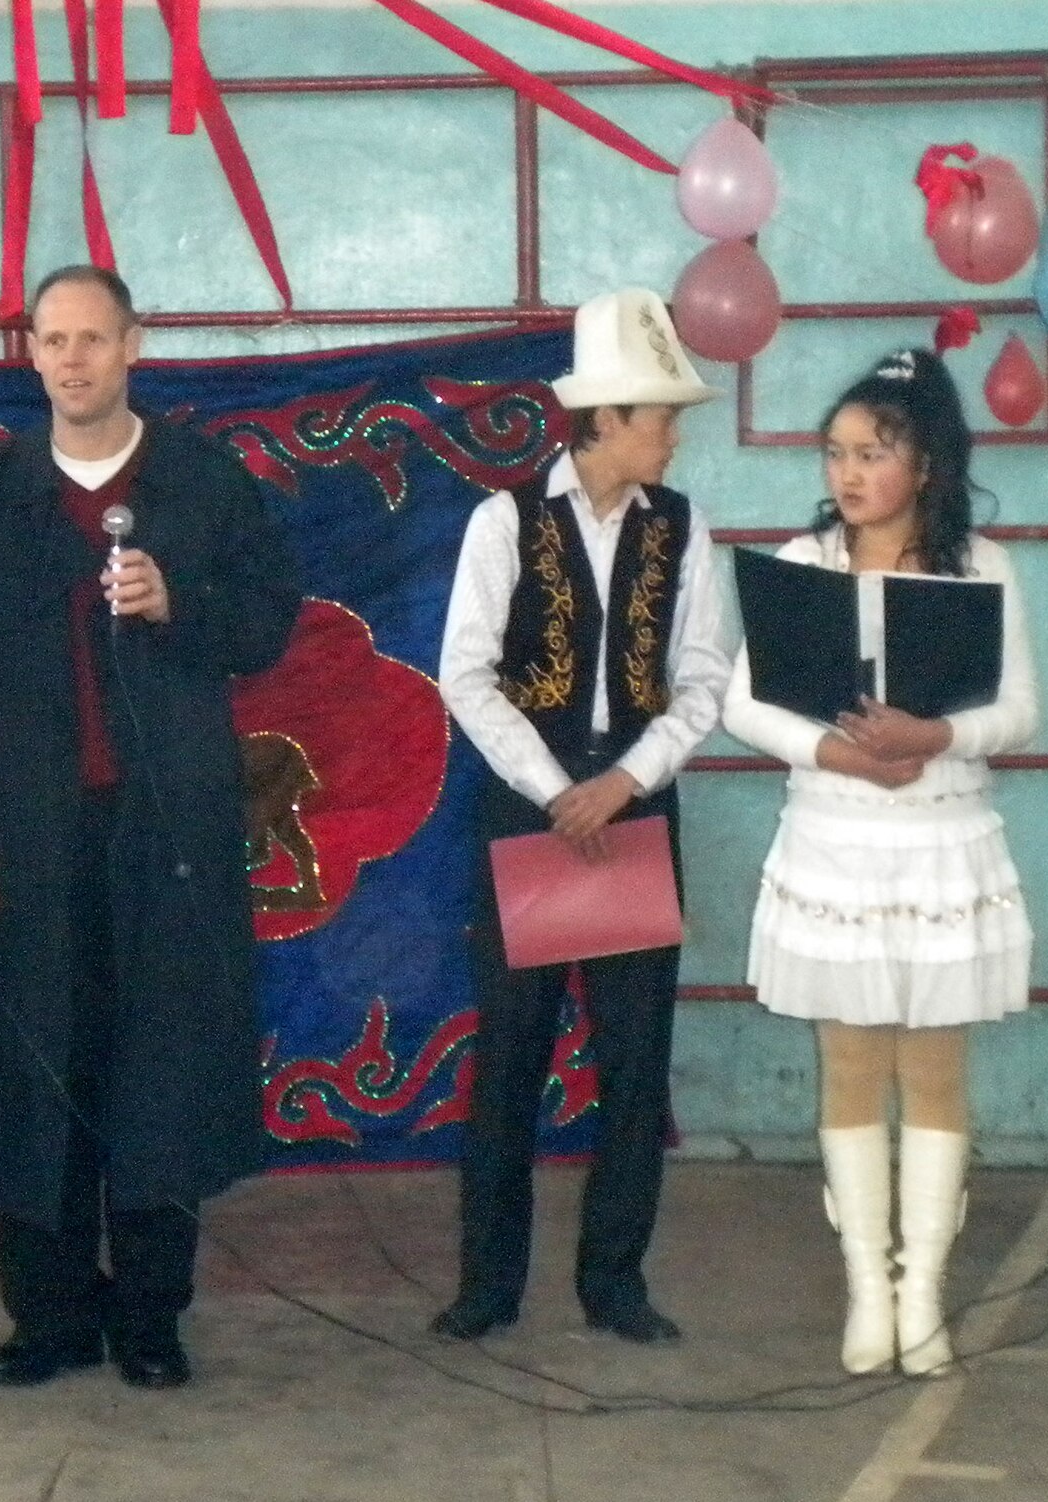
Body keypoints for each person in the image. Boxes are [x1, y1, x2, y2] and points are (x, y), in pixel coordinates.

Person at [0, 266, 300, 1391]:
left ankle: (149, 1315)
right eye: (53, 340)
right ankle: (46, 1316)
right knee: (37, 1068)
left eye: (95, 338)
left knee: (161, 1067)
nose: (74, 359)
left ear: (136, 344)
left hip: (164, 834)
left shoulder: (203, 482)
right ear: (27, 352)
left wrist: (180, 604)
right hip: (25, 839)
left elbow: (268, 620)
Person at [721, 347, 1037, 1378]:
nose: (847, 473)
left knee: (934, 1067)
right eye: (835, 452)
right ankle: (866, 1282)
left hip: (943, 839)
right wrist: (839, 749)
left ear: (928, 464)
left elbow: (1019, 710)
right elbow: (741, 700)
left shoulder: (979, 565)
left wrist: (929, 736)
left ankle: (922, 1291)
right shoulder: (801, 562)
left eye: (872, 452)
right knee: (850, 1059)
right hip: (834, 837)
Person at [433, 288, 734, 1344]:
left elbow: (701, 678)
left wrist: (625, 776)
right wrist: (553, 786)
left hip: (634, 805)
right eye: (660, 412)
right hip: (528, 811)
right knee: (509, 1054)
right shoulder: (502, 521)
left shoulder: (682, 529)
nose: (673, 432)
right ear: (604, 417)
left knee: (633, 1058)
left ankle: (614, 1281)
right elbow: (464, 677)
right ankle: (487, 1284)